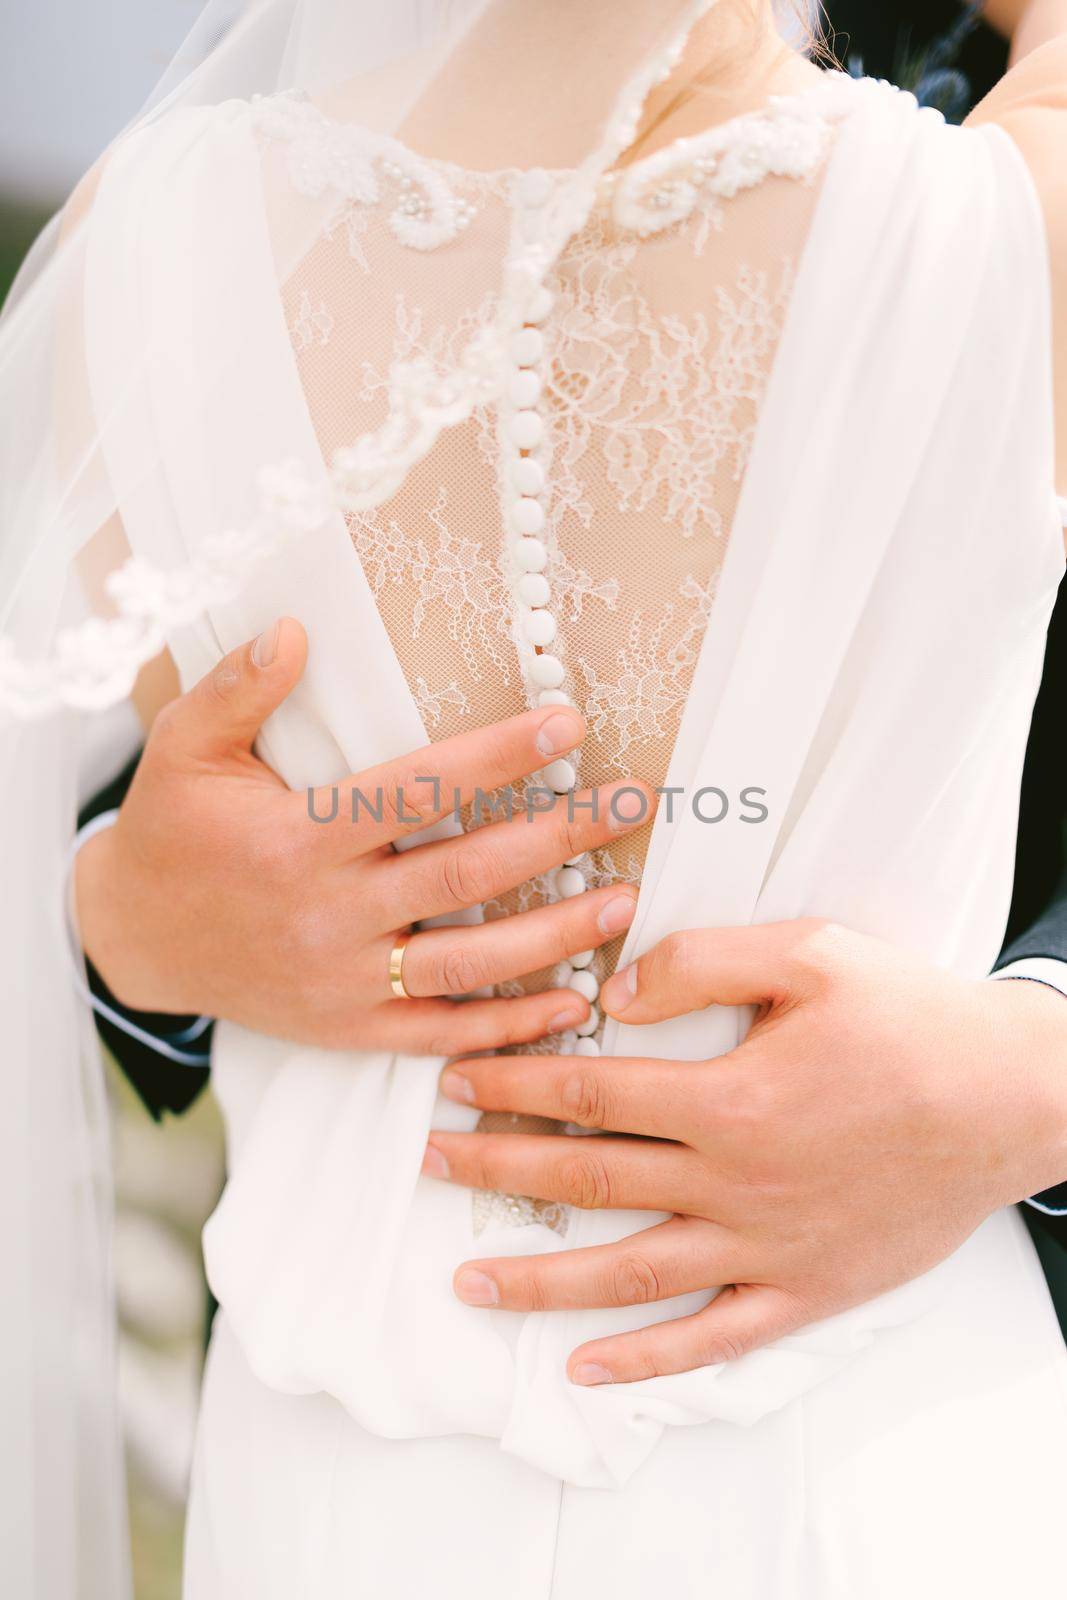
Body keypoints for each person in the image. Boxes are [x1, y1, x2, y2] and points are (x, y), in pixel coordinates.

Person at [4, 0, 1067, 1594]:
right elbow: (129, 834)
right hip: (858, 1445)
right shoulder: (1010, 214)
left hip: (332, 1472)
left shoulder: (148, 240)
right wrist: (118, 908)